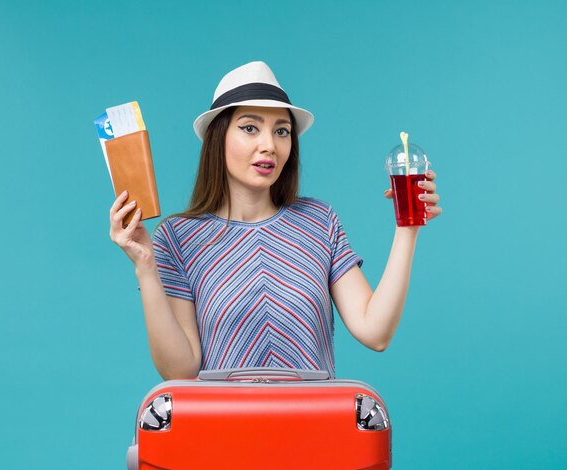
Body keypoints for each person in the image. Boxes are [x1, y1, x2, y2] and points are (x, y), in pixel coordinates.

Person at [109, 61, 442, 380]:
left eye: (281, 131)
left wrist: (407, 229)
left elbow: (375, 332)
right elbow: (179, 370)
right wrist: (146, 267)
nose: (269, 145)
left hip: (314, 430)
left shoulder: (318, 221)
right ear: (218, 137)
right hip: (224, 432)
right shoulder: (177, 237)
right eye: (250, 128)